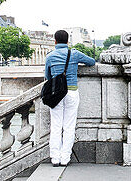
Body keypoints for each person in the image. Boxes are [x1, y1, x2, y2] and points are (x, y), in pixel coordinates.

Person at [44, 29, 96, 166]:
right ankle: (65, 158)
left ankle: (55, 158)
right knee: (69, 126)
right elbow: (91, 62)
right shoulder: (74, 53)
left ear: (55, 41)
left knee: (56, 126)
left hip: (56, 94)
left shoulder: (50, 56)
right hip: (72, 91)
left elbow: (48, 77)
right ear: (68, 41)